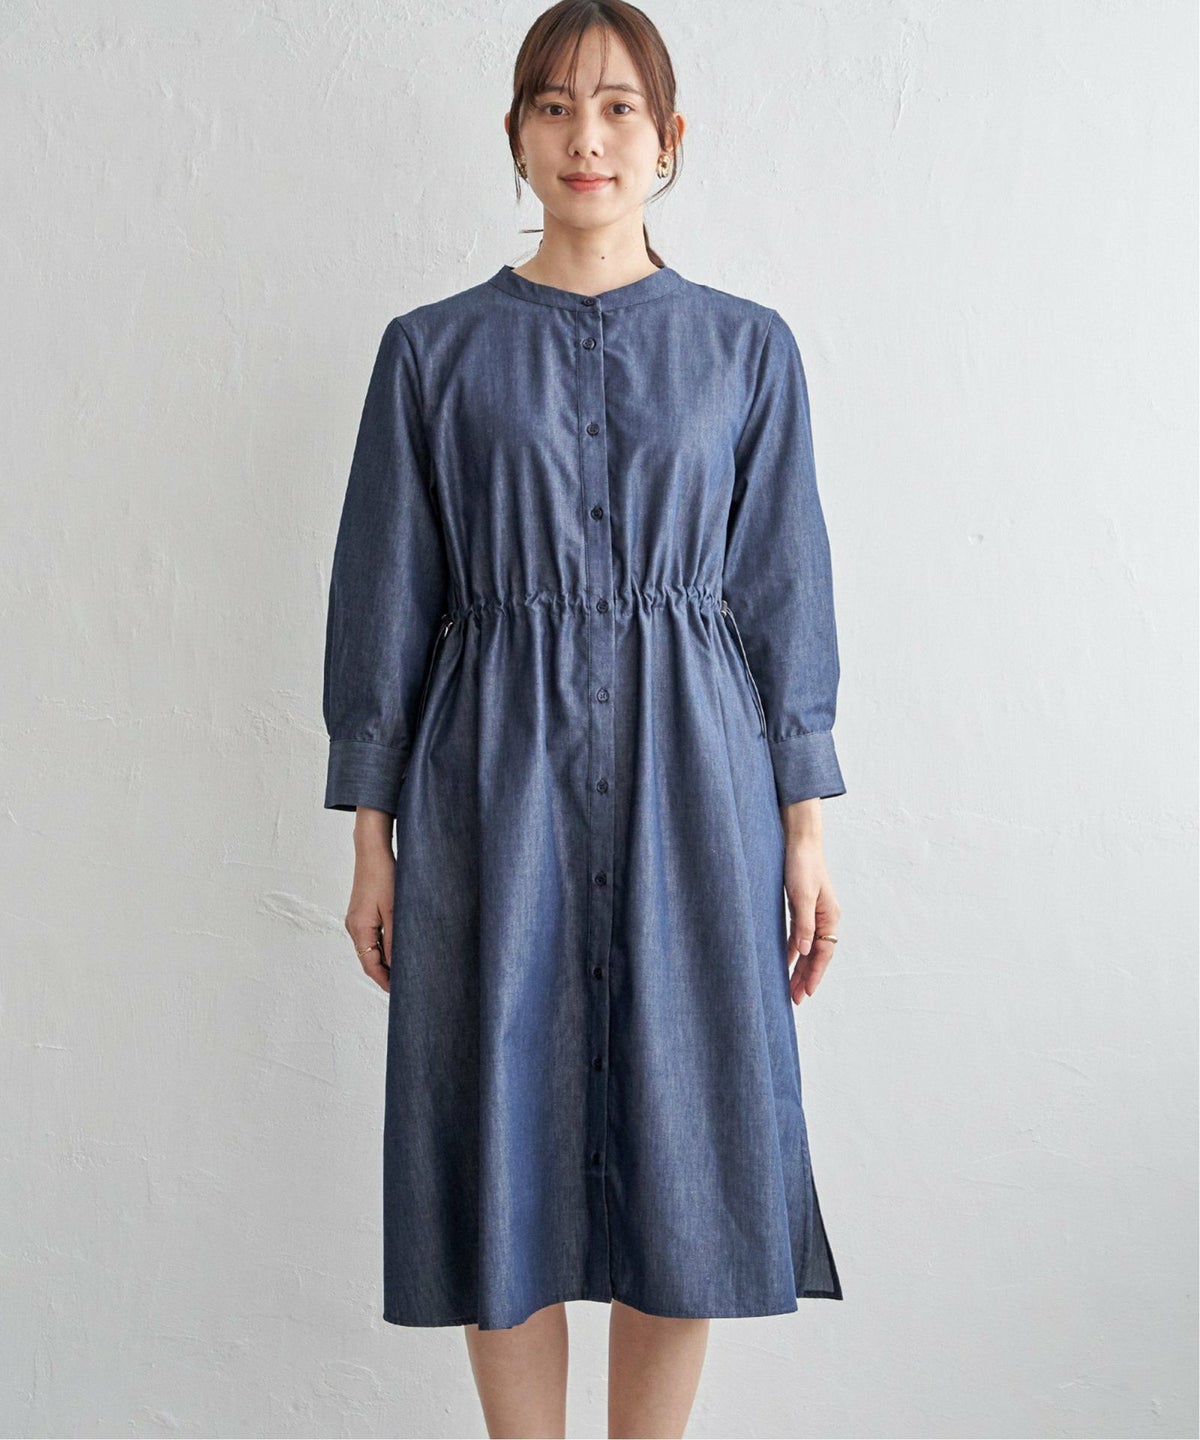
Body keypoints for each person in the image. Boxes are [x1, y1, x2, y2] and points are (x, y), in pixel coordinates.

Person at [321, 3, 847, 1435]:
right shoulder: (430, 354)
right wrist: (370, 840)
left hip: (699, 789)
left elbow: (782, 597)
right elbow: (384, 602)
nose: (586, 137)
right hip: (491, 789)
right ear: (515, 137)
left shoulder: (748, 351)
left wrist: (804, 832)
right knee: (498, 1139)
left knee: (689, 1150)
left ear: (668, 140)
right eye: (554, 107)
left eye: (618, 108)